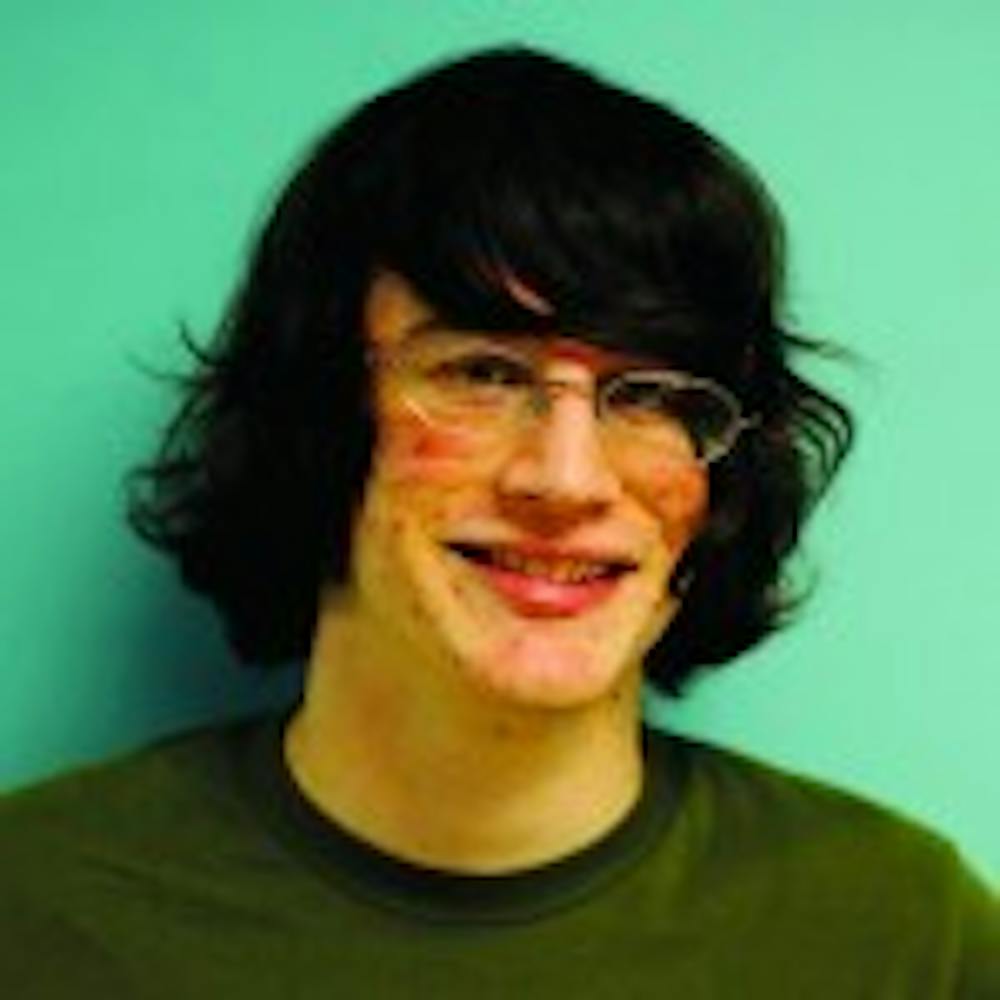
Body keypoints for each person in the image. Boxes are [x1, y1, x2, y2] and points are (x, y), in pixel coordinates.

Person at [1, 46, 996, 998]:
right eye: (482, 372)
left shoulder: (908, 942)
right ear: (317, 411)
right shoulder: (35, 912)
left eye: (651, 395)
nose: (566, 479)